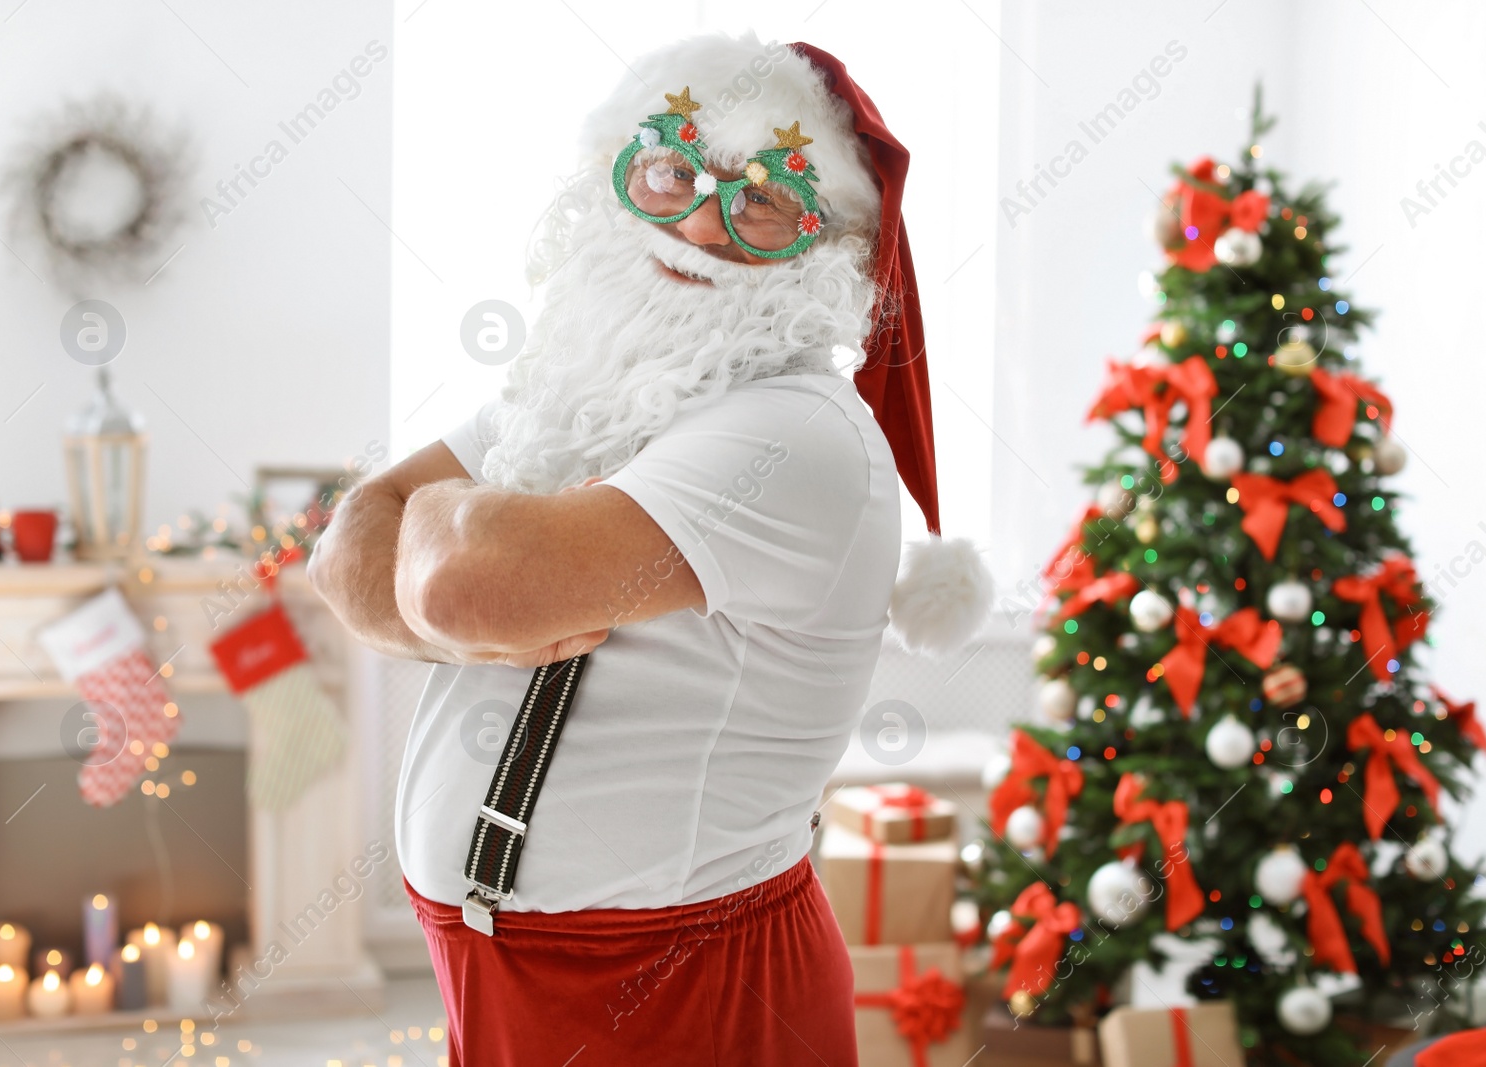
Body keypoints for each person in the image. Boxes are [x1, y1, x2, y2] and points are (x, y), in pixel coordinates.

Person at [308, 31, 989, 1066]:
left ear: (827, 244)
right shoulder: (591, 386)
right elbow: (345, 547)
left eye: (762, 200)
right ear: (619, 175)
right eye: (672, 170)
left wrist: (448, 548)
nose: (702, 225)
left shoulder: (796, 435)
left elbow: (457, 580)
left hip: (680, 988)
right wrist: (450, 553)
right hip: (503, 975)